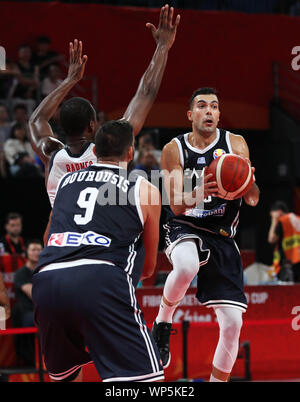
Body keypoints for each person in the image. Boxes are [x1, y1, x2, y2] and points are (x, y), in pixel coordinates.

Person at [29, 4, 180, 241]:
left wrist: (69, 80)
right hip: (100, 243)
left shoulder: (51, 154)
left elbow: (37, 118)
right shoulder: (108, 148)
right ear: (92, 126)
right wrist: (162, 47)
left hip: (62, 242)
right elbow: (145, 93)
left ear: (61, 126)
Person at [32, 119, 163, 382]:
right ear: (130, 153)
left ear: (96, 150)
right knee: (143, 382)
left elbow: (49, 237)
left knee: (67, 376)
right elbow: (148, 269)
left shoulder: (67, 181)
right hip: (100, 279)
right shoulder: (144, 188)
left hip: (46, 280)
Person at [152, 87, 260, 382]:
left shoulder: (236, 144)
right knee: (186, 265)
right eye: (202, 106)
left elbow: (253, 199)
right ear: (190, 115)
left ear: (219, 115)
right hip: (184, 225)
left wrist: (247, 181)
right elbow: (174, 202)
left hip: (222, 234)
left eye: (214, 106)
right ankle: (163, 321)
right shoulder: (174, 149)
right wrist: (199, 193)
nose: (209, 111)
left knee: (232, 324)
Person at [12, 240, 43, 366]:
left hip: (45, 310)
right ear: (26, 253)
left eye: (39, 249)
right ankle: (34, 362)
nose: (36, 252)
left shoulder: (45, 270)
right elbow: (35, 295)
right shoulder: (21, 273)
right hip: (28, 312)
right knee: (35, 320)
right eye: (33, 249)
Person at [268, 201, 300, 282]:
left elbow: (271, 239)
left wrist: (274, 221)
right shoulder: (298, 219)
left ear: (279, 212)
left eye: (272, 216)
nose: (272, 218)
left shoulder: (283, 221)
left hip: (289, 263)